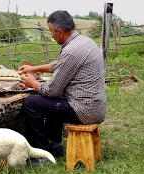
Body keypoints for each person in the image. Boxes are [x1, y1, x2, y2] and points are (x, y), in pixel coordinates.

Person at [19, 10, 106, 166]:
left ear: (59, 32)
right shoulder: (84, 42)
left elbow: (52, 90)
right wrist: (34, 68)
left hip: (84, 110)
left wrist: (33, 83)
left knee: (32, 102)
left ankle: (40, 155)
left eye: (51, 32)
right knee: (52, 101)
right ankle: (56, 146)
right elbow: (60, 65)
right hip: (95, 106)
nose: (51, 36)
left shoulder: (71, 51)